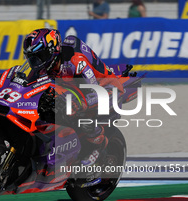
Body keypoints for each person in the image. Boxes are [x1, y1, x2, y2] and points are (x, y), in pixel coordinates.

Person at [23, 28, 124, 166]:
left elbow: (94, 91)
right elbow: (28, 84)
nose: (36, 62)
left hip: (106, 90)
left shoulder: (76, 61)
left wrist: (78, 104)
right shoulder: (46, 64)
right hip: (75, 88)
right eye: (32, 58)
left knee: (74, 107)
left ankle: (98, 144)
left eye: (40, 56)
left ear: (53, 50)